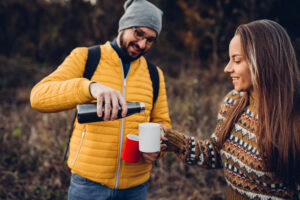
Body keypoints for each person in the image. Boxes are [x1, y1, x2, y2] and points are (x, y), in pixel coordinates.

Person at [30, 0, 171, 199]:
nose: (142, 44)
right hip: (88, 185)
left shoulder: (155, 74)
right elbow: (38, 97)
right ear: (123, 26)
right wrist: (90, 87)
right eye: (138, 33)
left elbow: (162, 123)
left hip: (136, 187)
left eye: (150, 39)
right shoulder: (86, 57)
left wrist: (158, 149)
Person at [161, 19, 300, 199]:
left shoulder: (294, 117)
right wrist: (174, 141)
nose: (227, 68)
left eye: (236, 60)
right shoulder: (233, 101)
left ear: (264, 61)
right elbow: (215, 153)